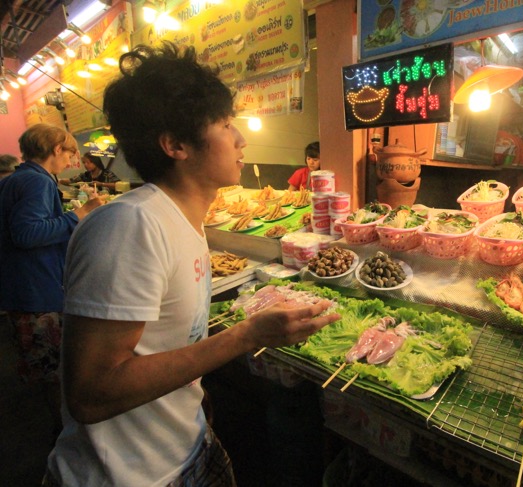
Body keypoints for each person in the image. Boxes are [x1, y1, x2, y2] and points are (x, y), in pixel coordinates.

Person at [45, 42, 340, 487]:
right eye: (224, 125)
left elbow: (160, 348)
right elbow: (90, 393)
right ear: (175, 144)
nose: (241, 138)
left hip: (186, 450)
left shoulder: (184, 219)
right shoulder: (130, 226)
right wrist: (247, 335)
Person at [0, 124, 105, 437]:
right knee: (55, 371)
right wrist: (80, 214)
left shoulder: (18, 177)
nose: (71, 160)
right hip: (36, 293)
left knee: (48, 370)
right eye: (70, 152)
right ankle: (68, 433)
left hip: (23, 287)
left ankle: (63, 427)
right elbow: (26, 234)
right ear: (56, 149)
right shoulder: (36, 182)